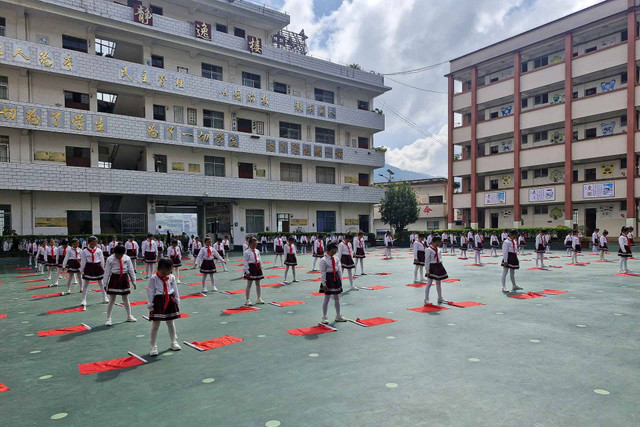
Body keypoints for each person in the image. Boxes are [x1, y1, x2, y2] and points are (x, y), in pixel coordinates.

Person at [146, 257, 181, 356]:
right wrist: (150, 303)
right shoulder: (153, 278)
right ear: (158, 269)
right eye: (163, 272)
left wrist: (177, 300)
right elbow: (150, 291)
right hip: (158, 301)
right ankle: (153, 346)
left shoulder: (172, 277)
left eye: (167, 272)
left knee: (170, 322)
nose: (165, 274)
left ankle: (173, 342)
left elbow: (175, 289)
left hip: (169, 300)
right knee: (156, 324)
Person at [103, 245, 137, 326]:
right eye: (118, 255)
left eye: (121, 255)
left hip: (124, 278)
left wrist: (134, 281)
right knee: (112, 299)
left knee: (125, 298)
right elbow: (107, 271)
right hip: (114, 278)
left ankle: (129, 316)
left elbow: (131, 269)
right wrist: (105, 283)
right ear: (114, 253)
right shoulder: (110, 259)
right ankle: (108, 319)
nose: (119, 257)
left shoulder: (127, 258)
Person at [319, 242, 347, 324]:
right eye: (332, 252)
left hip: (335, 279)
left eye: (335, 252)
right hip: (328, 279)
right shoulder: (323, 260)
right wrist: (324, 284)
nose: (333, 253)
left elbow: (339, 270)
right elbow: (323, 273)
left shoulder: (336, 258)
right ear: (327, 250)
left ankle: (338, 315)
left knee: (337, 298)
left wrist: (340, 280)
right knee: (327, 298)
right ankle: (324, 317)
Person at [79, 236, 107, 306]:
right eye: (94, 242)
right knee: (85, 284)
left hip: (97, 267)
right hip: (89, 267)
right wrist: (82, 270)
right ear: (89, 242)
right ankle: (83, 300)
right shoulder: (84, 251)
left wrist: (103, 268)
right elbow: (83, 261)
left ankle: (105, 297)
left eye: (96, 242)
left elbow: (102, 260)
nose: (95, 243)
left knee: (101, 283)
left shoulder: (99, 250)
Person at [425, 235, 448, 305]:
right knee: (429, 283)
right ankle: (426, 299)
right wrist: (427, 271)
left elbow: (440, 258)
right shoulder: (429, 250)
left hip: (438, 266)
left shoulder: (438, 249)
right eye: (438, 242)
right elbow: (427, 261)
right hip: (432, 267)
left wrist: (441, 266)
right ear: (434, 242)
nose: (439, 244)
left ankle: (440, 298)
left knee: (438, 283)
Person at [243, 236, 264, 306]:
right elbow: (245, 262)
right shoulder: (246, 252)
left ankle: (259, 298)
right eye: (254, 244)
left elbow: (259, 259)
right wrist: (247, 271)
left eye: (256, 244)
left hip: (257, 267)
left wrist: (261, 267)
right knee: (249, 284)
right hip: (250, 267)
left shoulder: (257, 251)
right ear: (250, 244)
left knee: (258, 284)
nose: (255, 245)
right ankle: (247, 300)